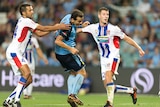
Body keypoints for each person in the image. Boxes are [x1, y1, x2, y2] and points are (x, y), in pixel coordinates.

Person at [3, 3, 70, 107]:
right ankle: (16, 101)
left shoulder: (26, 22)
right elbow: (43, 28)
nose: (32, 12)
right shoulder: (26, 21)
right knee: (26, 74)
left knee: (29, 79)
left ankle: (9, 99)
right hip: (14, 52)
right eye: (30, 10)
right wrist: (57, 26)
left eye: (32, 10)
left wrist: (55, 29)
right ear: (23, 13)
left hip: (17, 53)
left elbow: (39, 33)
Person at [77, 7, 145, 107]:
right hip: (103, 59)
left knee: (108, 78)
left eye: (107, 15)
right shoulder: (93, 28)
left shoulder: (113, 29)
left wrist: (139, 48)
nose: (106, 16)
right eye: (104, 14)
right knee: (109, 86)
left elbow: (126, 38)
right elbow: (79, 30)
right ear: (99, 15)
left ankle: (109, 103)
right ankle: (131, 90)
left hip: (113, 56)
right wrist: (65, 31)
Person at [54, 9, 89, 107]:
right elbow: (58, 41)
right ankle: (73, 95)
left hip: (59, 54)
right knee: (82, 72)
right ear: (72, 20)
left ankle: (70, 96)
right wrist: (71, 49)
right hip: (67, 53)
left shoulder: (68, 17)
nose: (80, 23)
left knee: (73, 73)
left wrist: (81, 26)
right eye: (78, 21)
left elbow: (69, 30)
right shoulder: (67, 28)